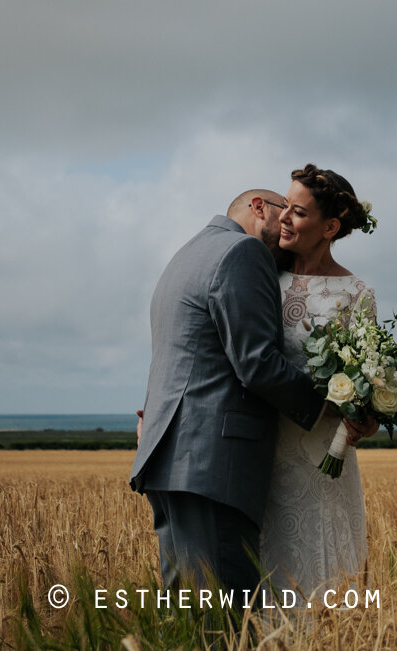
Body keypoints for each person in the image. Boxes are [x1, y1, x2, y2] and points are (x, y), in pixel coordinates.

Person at [131, 186, 369, 605]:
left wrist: (151, 414)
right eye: (285, 213)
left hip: (171, 458)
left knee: (191, 615)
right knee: (225, 621)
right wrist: (332, 407)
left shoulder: (186, 255)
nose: (287, 228)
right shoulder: (243, 252)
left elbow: (185, 353)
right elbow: (257, 362)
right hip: (213, 465)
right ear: (260, 208)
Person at [259, 163, 379, 601]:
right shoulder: (261, 275)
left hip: (323, 457)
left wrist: (369, 419)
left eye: (299, 212)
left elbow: (366, 381)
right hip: (262, 449)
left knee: (326, 577)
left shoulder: (357, 294)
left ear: (330, 227)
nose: (284, 218)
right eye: (285, 207)